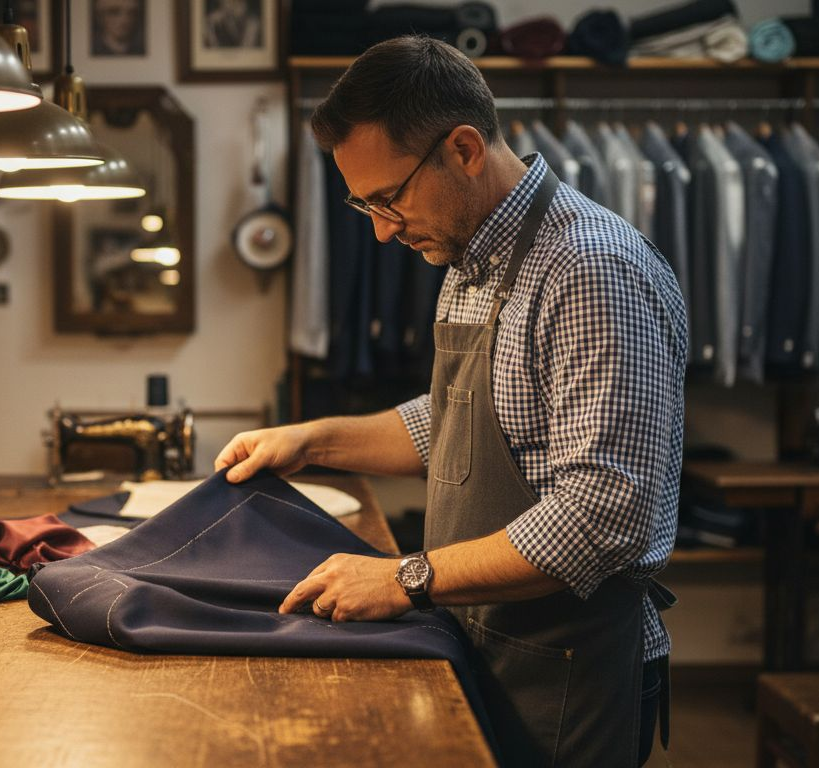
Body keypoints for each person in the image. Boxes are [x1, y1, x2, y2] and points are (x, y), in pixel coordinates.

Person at [214, 36, 685, 767]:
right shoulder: (469, 252)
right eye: (361, 203)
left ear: (463, 150)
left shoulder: (591, 270)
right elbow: (468, 422)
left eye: (388, 198)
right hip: (489, 642)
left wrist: (406, 577)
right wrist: (311, 442)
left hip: (567, 671)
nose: (379, 229)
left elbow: (602, 517)